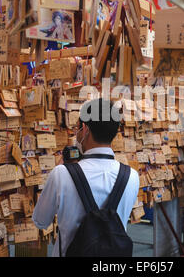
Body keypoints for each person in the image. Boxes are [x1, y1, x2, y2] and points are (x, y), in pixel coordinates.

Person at [33, 98, 140, 256]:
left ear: (85, 129)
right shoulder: (131, 176)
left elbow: (41, 221)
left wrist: (64, 167)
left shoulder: (61, 174)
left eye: (77, 128)